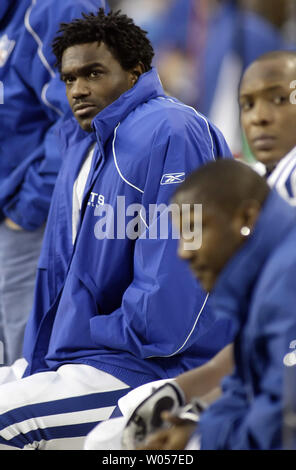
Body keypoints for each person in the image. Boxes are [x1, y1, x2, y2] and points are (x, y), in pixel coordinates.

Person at [0, 9, 233, 450]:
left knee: (6, 426)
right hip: (78, 356)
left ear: (135, 72)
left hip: (152, 367)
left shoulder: (171, 130)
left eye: (93, 73)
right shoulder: (81, 141)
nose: (79, 89)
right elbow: (59, 279)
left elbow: (174, 291)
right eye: (69, 79)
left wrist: (88, 332)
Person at [140, 159, 296, 450]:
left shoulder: (287, 280)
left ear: (246, 219)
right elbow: (246, 389)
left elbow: (283, 421)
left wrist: (200, 444)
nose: (183, 252)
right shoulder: (264, 276)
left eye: (194, 231)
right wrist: (194, 434)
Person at [0, 0, 109, 366]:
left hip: (30, 222)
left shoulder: (57, 6)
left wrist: (27, 208)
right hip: (12, 216)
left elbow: (83, 115)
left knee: (26, 364)